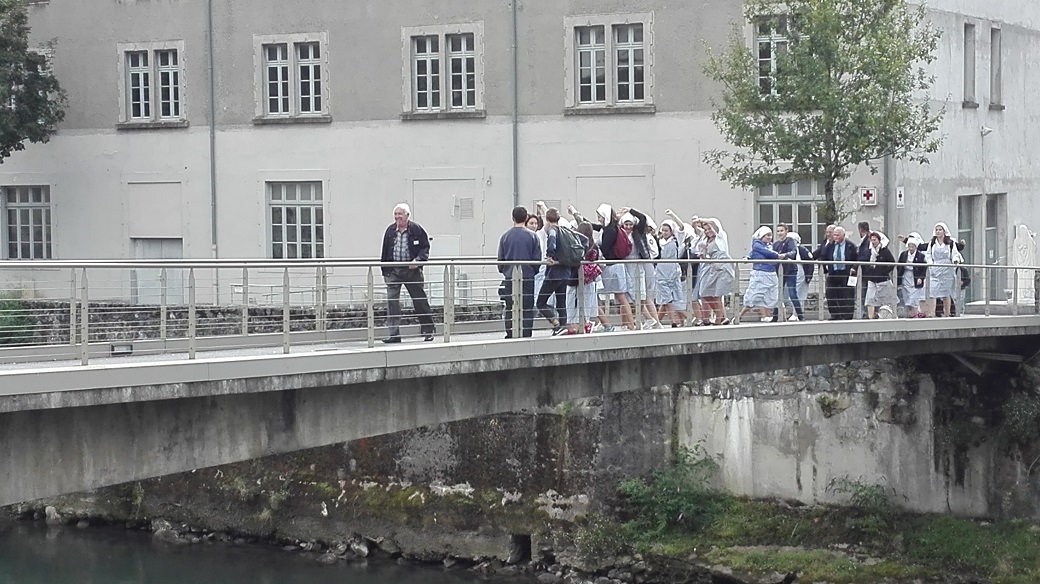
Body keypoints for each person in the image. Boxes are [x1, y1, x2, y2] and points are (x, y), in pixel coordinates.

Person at [379, 203, 436, 343]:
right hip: (394, 271)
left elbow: (425, 248)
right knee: (392, 302)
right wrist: (385, 271)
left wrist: (418, 260)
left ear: (407, 216)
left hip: (412, 271)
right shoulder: (390, 231)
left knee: (419, 300)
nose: (398, 217)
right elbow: (385, 250)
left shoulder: (416, 230)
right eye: (396, 214)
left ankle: (428, 331)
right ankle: (394, 334)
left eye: (400, 214)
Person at [498, 206, 542, 338]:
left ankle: (510, 332)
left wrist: (505, 270)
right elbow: (537, 259)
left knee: (510, 306)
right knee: (527, 307)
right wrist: (532, 270)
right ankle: (526, 332)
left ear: (513, 218)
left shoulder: (505, 236)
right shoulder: (533, 236)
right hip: (527, 276)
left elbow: (500, 260)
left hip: (510, 276)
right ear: (526, 218)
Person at [737, 226, 791, 323]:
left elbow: (755, 254)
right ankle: (739, 316)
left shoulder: (769, 246)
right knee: (753, 296)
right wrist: (778, 255)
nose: (770, 237)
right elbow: (767, 253)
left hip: (771, 274)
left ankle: (783, 319)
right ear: (762, 236)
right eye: (767, 235)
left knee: (776, 296)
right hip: (760, 274)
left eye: (770, 235)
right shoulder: (757, 245)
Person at [595, 203, 637, 330]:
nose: (599, 219)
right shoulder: (613, 228)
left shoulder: (609, 231)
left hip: (612, 266)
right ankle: (628, 324)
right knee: (621, 297)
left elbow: (605, 249)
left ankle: (629, 324)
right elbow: (594, 226)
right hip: (616, 265)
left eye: (600, 216)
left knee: (620, 296)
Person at [536, 208, 573, 335]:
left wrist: (549, 256)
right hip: (565, 271)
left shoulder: (552, 230)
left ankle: (556, 323)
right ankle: (563, 325)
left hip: (554, 273)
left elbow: (552, 244)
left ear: (547, 220)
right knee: (561, 300)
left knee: (540, 302)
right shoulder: (565, 230)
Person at [694, 218, 734, 325]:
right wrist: (703, 256)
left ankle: (719, 319)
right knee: (706, 293)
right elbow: (708, 257)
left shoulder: (721, 237)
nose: (708, 231)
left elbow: (714, 222)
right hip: (713, 267)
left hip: (723, 267)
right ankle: (720, 316)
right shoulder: (707, 241)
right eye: (705, 230)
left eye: (709, 229)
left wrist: (700, 219)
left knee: (717, 294)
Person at [922, 222, 962, 317]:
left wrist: (955, 260)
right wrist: (930, 263)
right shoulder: (932, 243)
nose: (938, 232)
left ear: (944, 231)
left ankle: (947, 313)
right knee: (932, 291)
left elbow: (955, 254)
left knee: (946, 292)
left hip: (947, 269)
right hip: (935, 268)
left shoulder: (950, 243)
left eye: (940, 230)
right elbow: (928, 254)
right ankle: (932, 313)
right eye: (937, 230)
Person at [819, 226, 859, 320]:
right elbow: (823, 255)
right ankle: (835, 314)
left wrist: (854, 268)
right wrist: (824, 268)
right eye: (834, 235)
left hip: (846, 272)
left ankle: (847, 315)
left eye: (837, 235)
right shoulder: (831, 245)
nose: (835, 237)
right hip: (833, 272)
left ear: (843, 235)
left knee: (846, 294)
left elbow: (857, 258)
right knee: (831, 293)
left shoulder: (850, 245)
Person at [655, 219, 687, 327]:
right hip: (661, 271)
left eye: (666, 231)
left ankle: (658, 321)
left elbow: (682, 228)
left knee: (674, 298)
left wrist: (672, 215)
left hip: (673, 270)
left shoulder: (675, 240)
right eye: (663, 230)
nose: (664, 233)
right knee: (666, 298)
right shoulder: (658, 242)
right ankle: (673, 321)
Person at [861, 232, 895, 319]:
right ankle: (870, 317)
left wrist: (884, 271)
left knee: (885, 299)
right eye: (871, 240)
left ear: (879, 240)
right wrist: (868, 271)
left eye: (875, 240)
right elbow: (864, 261)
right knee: (870, 298)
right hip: (872, 278)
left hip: (883, 279)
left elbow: (892, 263)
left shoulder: (884, 251)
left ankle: (885, 316)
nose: (873, 242)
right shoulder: (869, 251)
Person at [897, 233, 927, 318]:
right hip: (906, 276)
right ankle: (910, 313)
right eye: (909, 246)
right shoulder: (904, 254)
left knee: (914, 297)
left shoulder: (920, 256)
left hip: (915, 277)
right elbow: (899, 265)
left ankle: (914, 313)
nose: (910, 249)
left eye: (912, 247)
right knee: (906, 294)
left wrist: (921, 278)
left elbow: (924, 268)